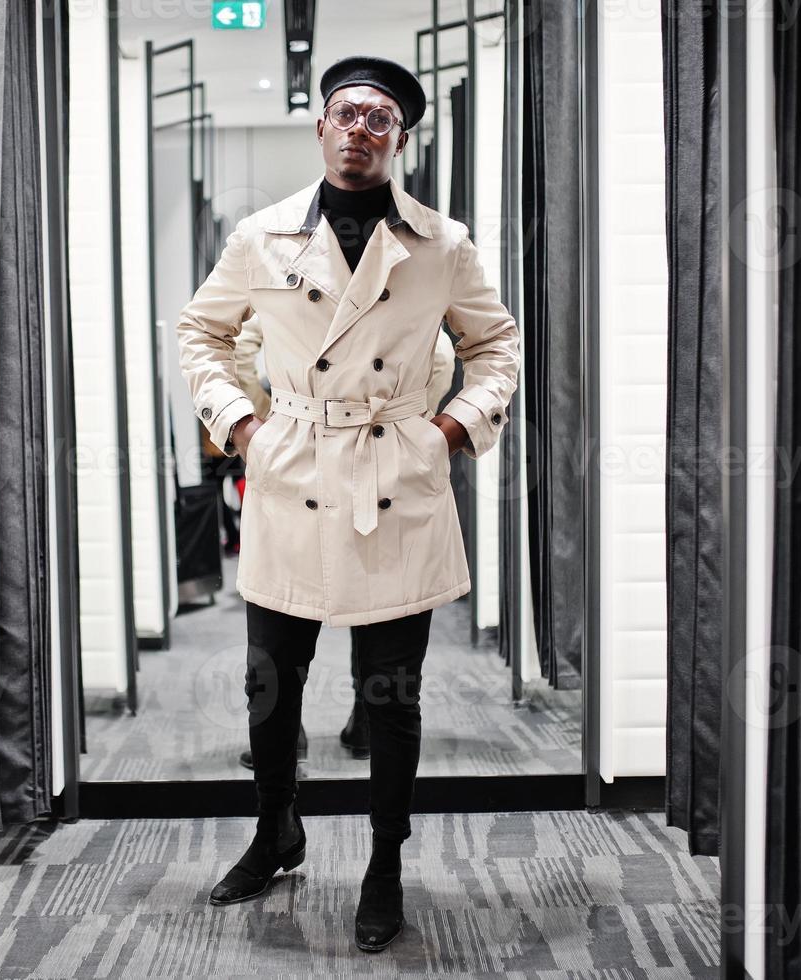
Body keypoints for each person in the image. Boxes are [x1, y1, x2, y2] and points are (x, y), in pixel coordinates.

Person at [175, 54, 520, 952]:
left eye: (378, 120)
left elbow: (496, 348)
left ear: (398, 139)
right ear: (320, 126)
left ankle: (383, 863)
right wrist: (239, 427)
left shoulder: (442, 243)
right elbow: (201, 332)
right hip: (290, 472)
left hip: (394, 477)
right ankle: (273, 830)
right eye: (345, 114)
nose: (358, 131)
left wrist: (450, 432)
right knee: (269, 685)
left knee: (391, 695)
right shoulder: (262, 236)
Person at [233, 321, 458, 769]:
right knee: (366, 590)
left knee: (292, 599)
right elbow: (442, 354)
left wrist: (267, 424)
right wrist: (412, 423)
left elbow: (240, 350)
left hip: (301, 454)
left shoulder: (290, 264)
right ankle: (364, 721)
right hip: (375, 455)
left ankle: (290, 727)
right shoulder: (392, 268)